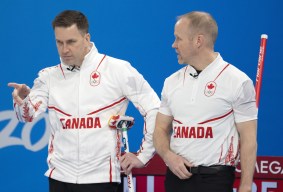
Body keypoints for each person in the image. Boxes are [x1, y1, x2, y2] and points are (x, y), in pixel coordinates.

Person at [8, 10, 160, 192]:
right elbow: (27, 116)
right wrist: (22, 101)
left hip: (103, 179)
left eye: (71, 42)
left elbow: (154, 108)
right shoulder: (48, 76)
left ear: (87, 38)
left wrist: (144, 155)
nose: (64, 49)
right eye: (59, 42)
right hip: (60, 178)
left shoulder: (117, 69)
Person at [153, 11, 257, 192]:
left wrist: (246, 186)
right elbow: (160, 130)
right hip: (175, 178)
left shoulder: (238, 81)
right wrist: (168, 156)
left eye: (179, 39)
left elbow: (249, 140)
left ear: (198, 41)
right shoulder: (171, 82)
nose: (173, 45)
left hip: (215, 180)